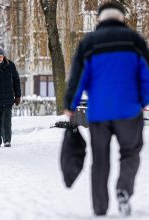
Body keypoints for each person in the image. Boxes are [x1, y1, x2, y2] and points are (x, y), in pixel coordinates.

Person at [64, 1, 149, 216]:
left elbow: (78, 77)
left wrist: (70, 106)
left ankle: (100, 208)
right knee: (130, 153)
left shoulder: (89, 43)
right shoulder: (135, 41)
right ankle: (123, 189)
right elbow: (146, 74)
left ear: (100, 19)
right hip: (129, 111)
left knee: (100, 159)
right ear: (122, 17)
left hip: (99, 112)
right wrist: (145, 100)